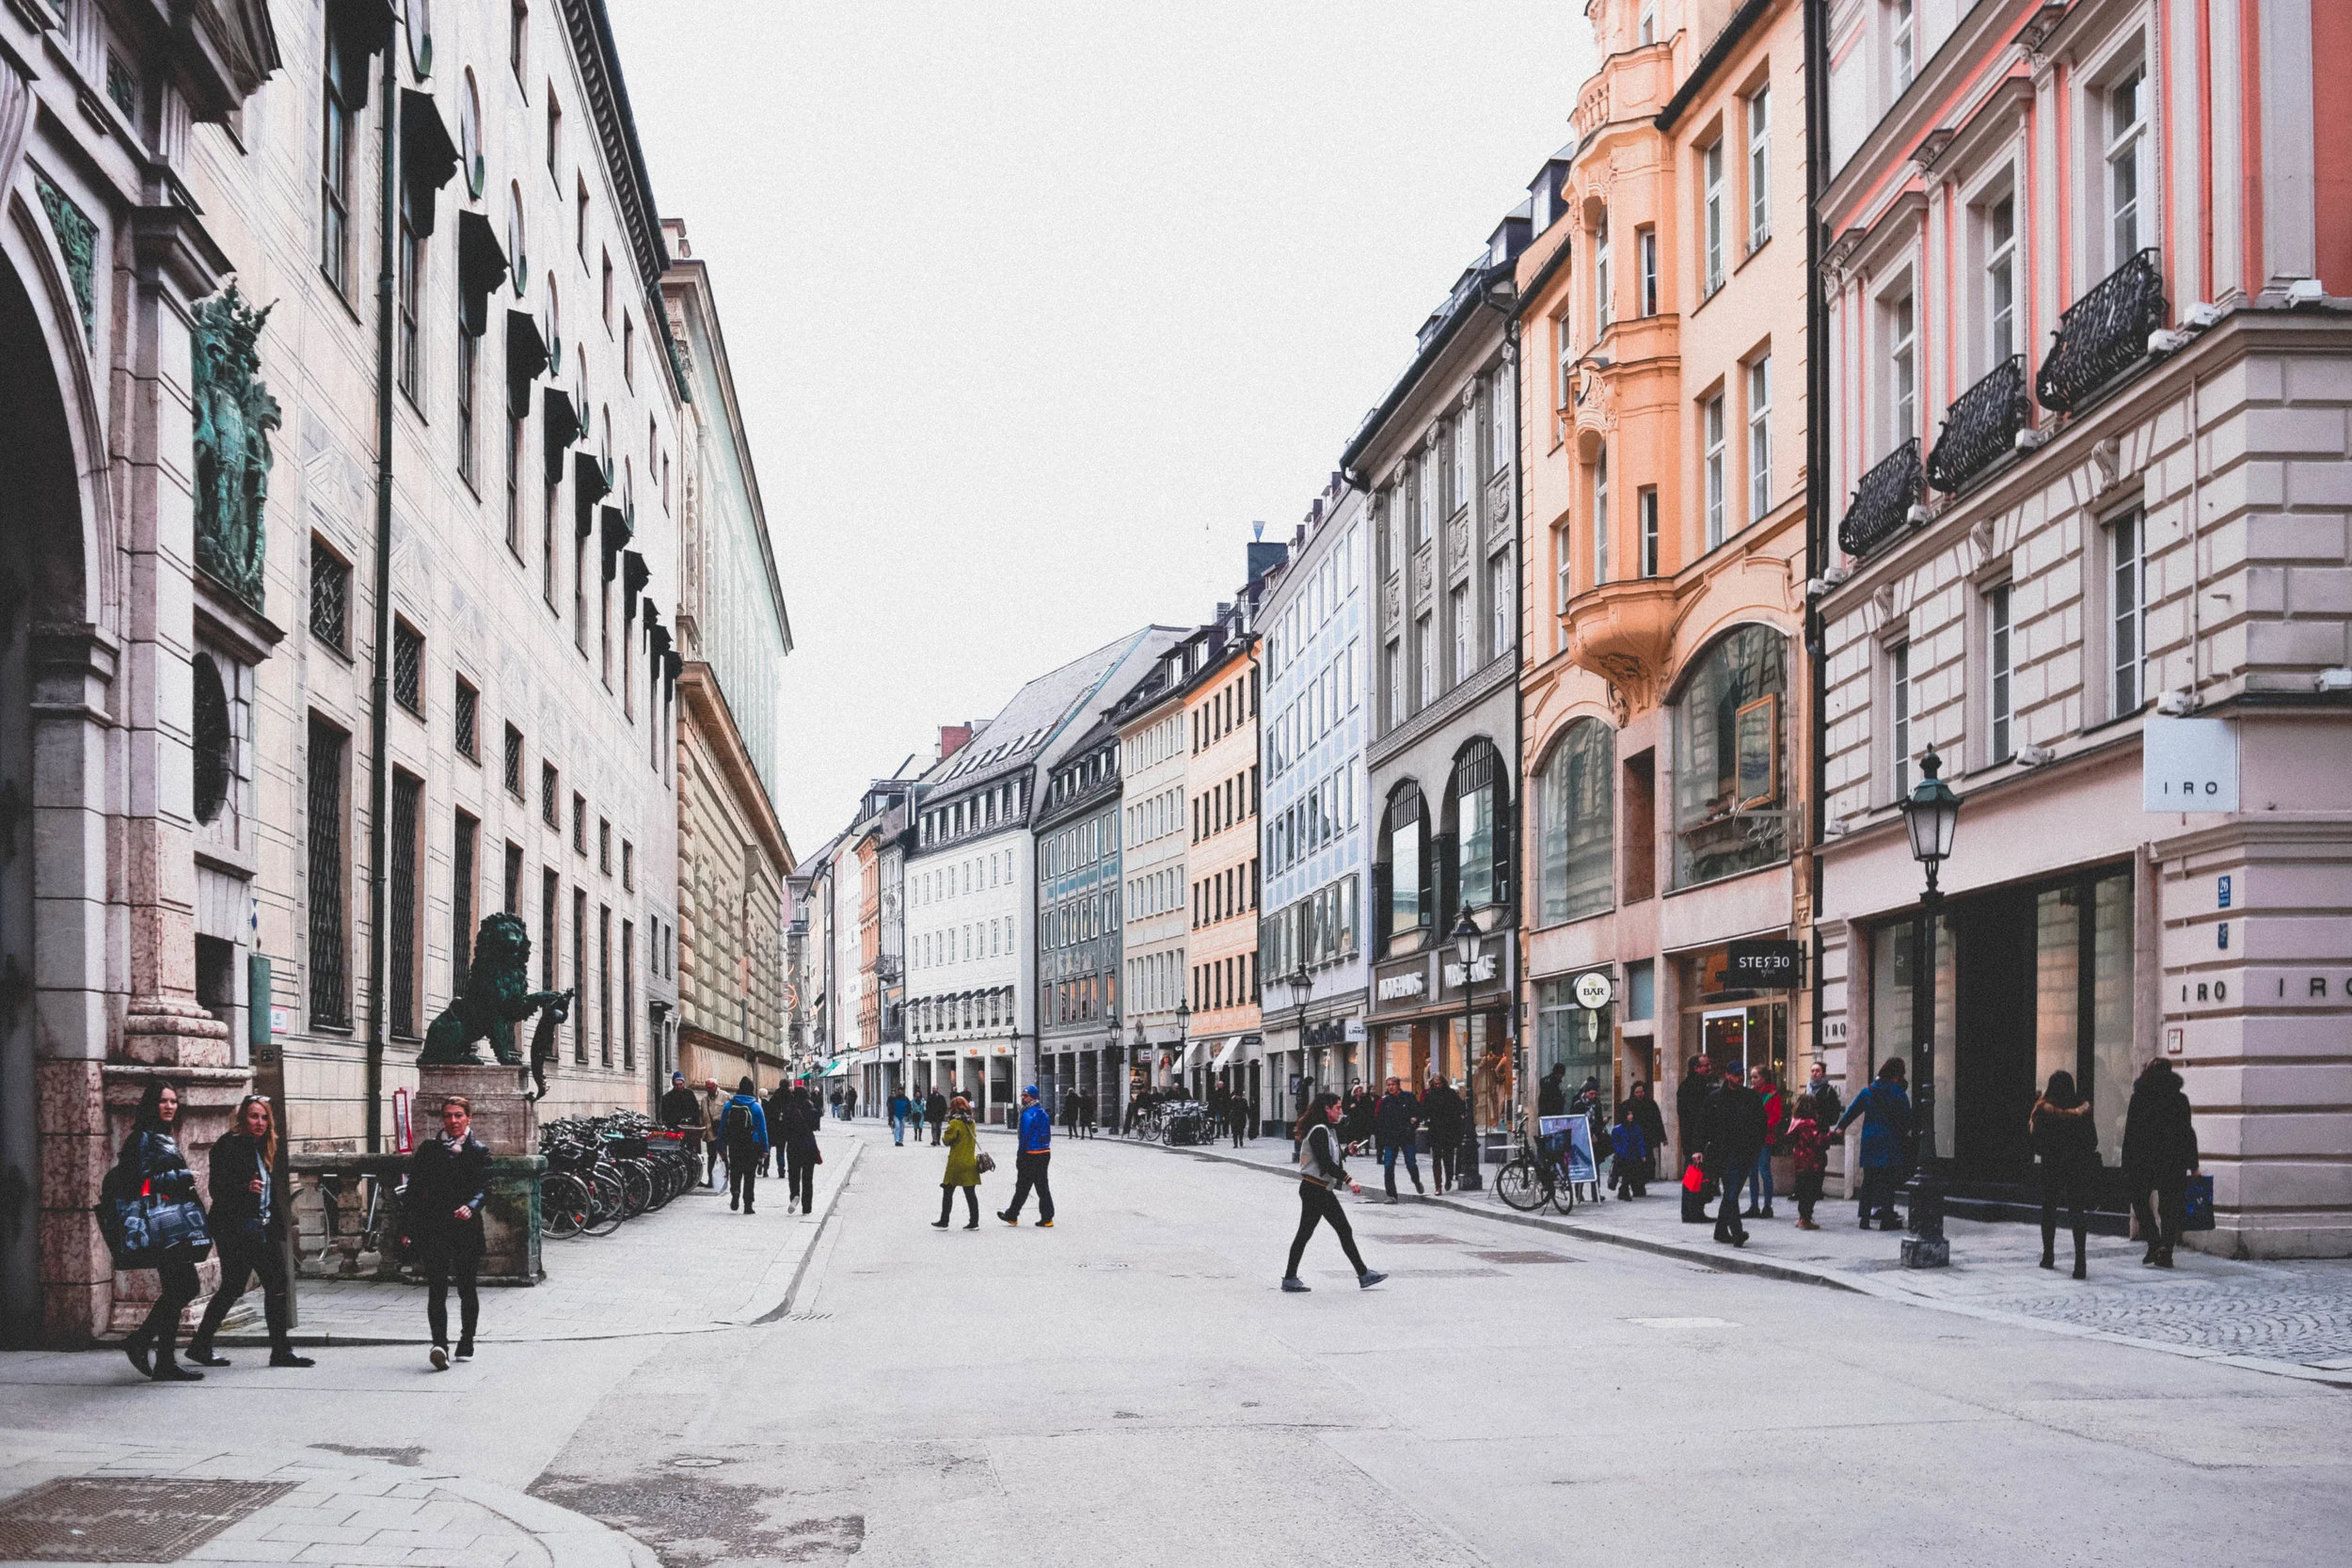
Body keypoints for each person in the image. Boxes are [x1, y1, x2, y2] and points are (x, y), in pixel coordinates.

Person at [186, 1095, 313, 1370]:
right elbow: (216, 1190)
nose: (260, 1122)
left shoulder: (263, 1147)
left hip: (259, 1226)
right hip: (237, 1227)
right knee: (274, 1282)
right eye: (254, 1116)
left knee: (235, 1285)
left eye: (264, 1117)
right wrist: (245, 1188)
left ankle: (201, 1345)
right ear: (243, 1118)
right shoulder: (228, 1146)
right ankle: (280, 1351)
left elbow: (270, 1193)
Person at [113, 1081, 209, 1382]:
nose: (169, 1106)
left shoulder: (161, 1135)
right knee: (185, 1286)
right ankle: (144, 1344)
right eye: (163, 1101)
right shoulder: (141, 1138)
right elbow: (134, 1182)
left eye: (174, 1101)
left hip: (172, 1225)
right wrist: (180, 1176)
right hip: (160, 1225)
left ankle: (160, 1356)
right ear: (151, 1104)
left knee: (180, 1288)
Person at [404, 1095, 491, 1370]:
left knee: (467, 1287)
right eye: (448, 1116)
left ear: (469, 1118)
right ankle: (439, 1343)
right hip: (435, 1226)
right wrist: (407, 1228)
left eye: (458, 1116)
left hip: (466, 1226)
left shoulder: (478, 1150)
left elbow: (485, 1186)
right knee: (437, 1288)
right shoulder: (430, 1149)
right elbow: (414, 1191)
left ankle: (467, 1340)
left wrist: (472, 1206)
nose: (453, 1121)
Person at [1281, 1094, 1388, 1293]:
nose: (1340, 1111)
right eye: (1337, 1108)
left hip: (1317, 1188)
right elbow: (1326, 1163)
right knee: (1340, 1230)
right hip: (1316, 1189)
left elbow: (1331, 1158)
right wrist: (1349, 1180)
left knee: (1308, 1233)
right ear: (1326, 1109)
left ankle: (1290, 1277)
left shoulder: (1327, 1130)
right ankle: (1363, 1274)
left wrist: (1347, 1151)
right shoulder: (1320, 1131)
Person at [2122, 1057, 2199, 1268]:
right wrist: (2194, 1165)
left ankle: (2155, 1241)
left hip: (2143, 1159)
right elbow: (2187, 1134)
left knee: (2139, 1200)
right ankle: (2164, 1247)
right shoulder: (2179, 1099)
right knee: (2169, 1206)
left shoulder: (2139, 1098)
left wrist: (2126, 1163)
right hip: (2173, 1160)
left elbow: (2130, 1133)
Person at [2031, 1070, 2098, 1277]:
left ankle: (2048, 1256)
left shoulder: (2043, 1110)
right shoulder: (2082, 1110)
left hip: (2052, 1166)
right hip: (2076, 1167)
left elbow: (2036, 1144)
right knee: (2077, 1213)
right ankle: (2080, 1262)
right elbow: (2092, 1141)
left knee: (2049, 1211)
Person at [1836, 1058, 1912, 1230]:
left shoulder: (1868, 1091)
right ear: (1897, 1074)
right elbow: (1907, 1118)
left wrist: (1841, 1127)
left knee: (1868, 1180)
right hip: (1889, 1141)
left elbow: (1853, 1110)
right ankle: (1886, 1219)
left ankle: (1864, 1218)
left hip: (1870, 1140)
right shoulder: (1898, 1092)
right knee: (1887, 1181)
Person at [1703, 1062, 1767, 1247]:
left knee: (1733, 1192)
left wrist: (1756, 1148)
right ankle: (1737, 1232)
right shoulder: (1714, 1099)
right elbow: (1702, 1126)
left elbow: (1761, 1125)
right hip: (1723, 1153)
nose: (1741, 1077)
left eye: (1743, 1074)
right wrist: (1698, 1150)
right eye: (1737, 1074)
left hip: (1745, 1153)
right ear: (1728, 1075)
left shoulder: (1751, 1097)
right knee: (1731, 1191)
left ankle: (1720, 1230)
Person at [999, 1085, 1056, 1227]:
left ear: (1033, 1097)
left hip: (1030, 1153)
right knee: (1041, 1186)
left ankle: (1012, 1214)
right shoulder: (1043, 1112)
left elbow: (1024, 1136)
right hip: (1044, 1152)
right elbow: (1047, 1134)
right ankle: (1046, 1217)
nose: (1023, 1098)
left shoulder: (1027, 1114)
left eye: (1026, 1096)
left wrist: (1020, 1155)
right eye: (1022, 1096)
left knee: (1023, 1185)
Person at [719, 1077, 769, 1214]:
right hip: (751, 1144)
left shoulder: (729, 1105)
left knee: (735, 1171)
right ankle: (748, 1204)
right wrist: (765, 1149)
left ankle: (735, 1192)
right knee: (749, 1174)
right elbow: (763, 1130)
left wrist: (720, 1146)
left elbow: (722, 1127)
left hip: (734, 1143)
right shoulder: (756, 1107)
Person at [1786, 1091, 1833, 1230]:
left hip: (1800, 1160)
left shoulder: (1796, 1121)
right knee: (1811, 1191)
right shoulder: (1809, 1123)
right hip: (1812, 1161)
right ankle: (1805, 1219)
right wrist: (1832, 1136)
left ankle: (1802, 1217)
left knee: (1803, 1190)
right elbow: (1817, 1140)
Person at [1372, 1076, 1423, 1202]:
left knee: (1411, 1163)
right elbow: (1380, 1119)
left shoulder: (1408, 1097)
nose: (1390, 1087)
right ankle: (1391, 1195)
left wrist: (1414, 1121)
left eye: (1393, 1085)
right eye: (1388, 1085)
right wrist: (1381, 1137)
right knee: (1388, 1166)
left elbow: (1418, 1112)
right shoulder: (1386, 1101)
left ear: (1398, 1085)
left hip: (1406, 1136)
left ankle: (1416, 1180)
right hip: (1391, 1138)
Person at [934, 1096, 981, 1228]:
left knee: (948, 1192)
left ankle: (944, 1220)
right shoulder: (971, 1122)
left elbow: (946, 1141)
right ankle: (974, 1222)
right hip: (970, 1161)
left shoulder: (955, 1123)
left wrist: (947, 1130)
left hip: (956, 1162)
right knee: (970, 1194)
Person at [1746, 1067, 1786, 1220]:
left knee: (1764, 1171)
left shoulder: (1772, 1095)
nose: (1753, 1080)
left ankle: (1767, 1206)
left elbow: (1776, 1116)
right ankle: (1754, 1205)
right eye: (1751, 1077)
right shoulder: (1750, 1094)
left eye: (1755, 1077)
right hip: (1751, 1138)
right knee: (1752, 1172)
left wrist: (1761, 1127)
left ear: (1764, 1078)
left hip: (1764, 1137)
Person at [1676, 1054, 1714, 1171]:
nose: (1710, 1068)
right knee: (1695, 1172)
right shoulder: (1691, 1087)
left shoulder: (1704, 1084)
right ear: (1696, 1068)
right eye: (1706, 1065)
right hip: (1695, 1138)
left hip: (1696, 1138)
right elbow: (1692, 1116)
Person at [1626, 1080, 1668, 1179]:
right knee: (1635, 1162)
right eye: (1637, 1092)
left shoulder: (1651, 1104)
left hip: (1647, 1138)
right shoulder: (1628, 1104)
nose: (1640, 1094)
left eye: (1641, 1092)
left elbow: (1658, 1121)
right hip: (1633, 1139)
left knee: (1649, 1162)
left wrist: (1663, 1138)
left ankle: (1643, 1180)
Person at [1609, 1101, 1650, 1198]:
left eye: (1631, 1114)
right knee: (1626, 1173)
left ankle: (1625, 1190)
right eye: (1628, 1114)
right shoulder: (1618, 1129)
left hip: (1634, 1155)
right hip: (1623, 1156)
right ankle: (1624, 1191)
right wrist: (1620, 1151)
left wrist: (1643, 1154)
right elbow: (1614, 1143)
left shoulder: (1636, 1128)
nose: (1630, 1116)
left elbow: (1640, 1141)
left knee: (1632, 1174)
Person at [765, 1079, 796, 1178]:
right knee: (781, 1150)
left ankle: (765, 1169)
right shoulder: (791, 1098)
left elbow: (768, 1114)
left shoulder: (774, 1097)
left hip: (773, 1128)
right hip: (785, 1129)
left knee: (769, 1149)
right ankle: (781, 1171)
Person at [701, 1079, 726, 1186]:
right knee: (711, 1157)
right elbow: (701, 1116)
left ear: (716, 1086)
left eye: (711, 1087)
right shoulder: (704, 1100)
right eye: (707, 1087)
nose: (709, 1089)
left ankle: (725, 1178)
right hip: (710, 1133)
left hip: (722, 1133)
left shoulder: (725, 1096)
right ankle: (711, 1181)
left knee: (723, 1156)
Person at [1805, 1062, 1843, 1127]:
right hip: (1808, 1129)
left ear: (1823, 1073)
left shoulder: (1829, 1090)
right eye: (1812, 1071)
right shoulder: (1808, 1088)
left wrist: (1822, 1121)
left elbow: (1835, 1113)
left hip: (1822, 1131)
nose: (1814, 1073)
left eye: (1817, 1071)